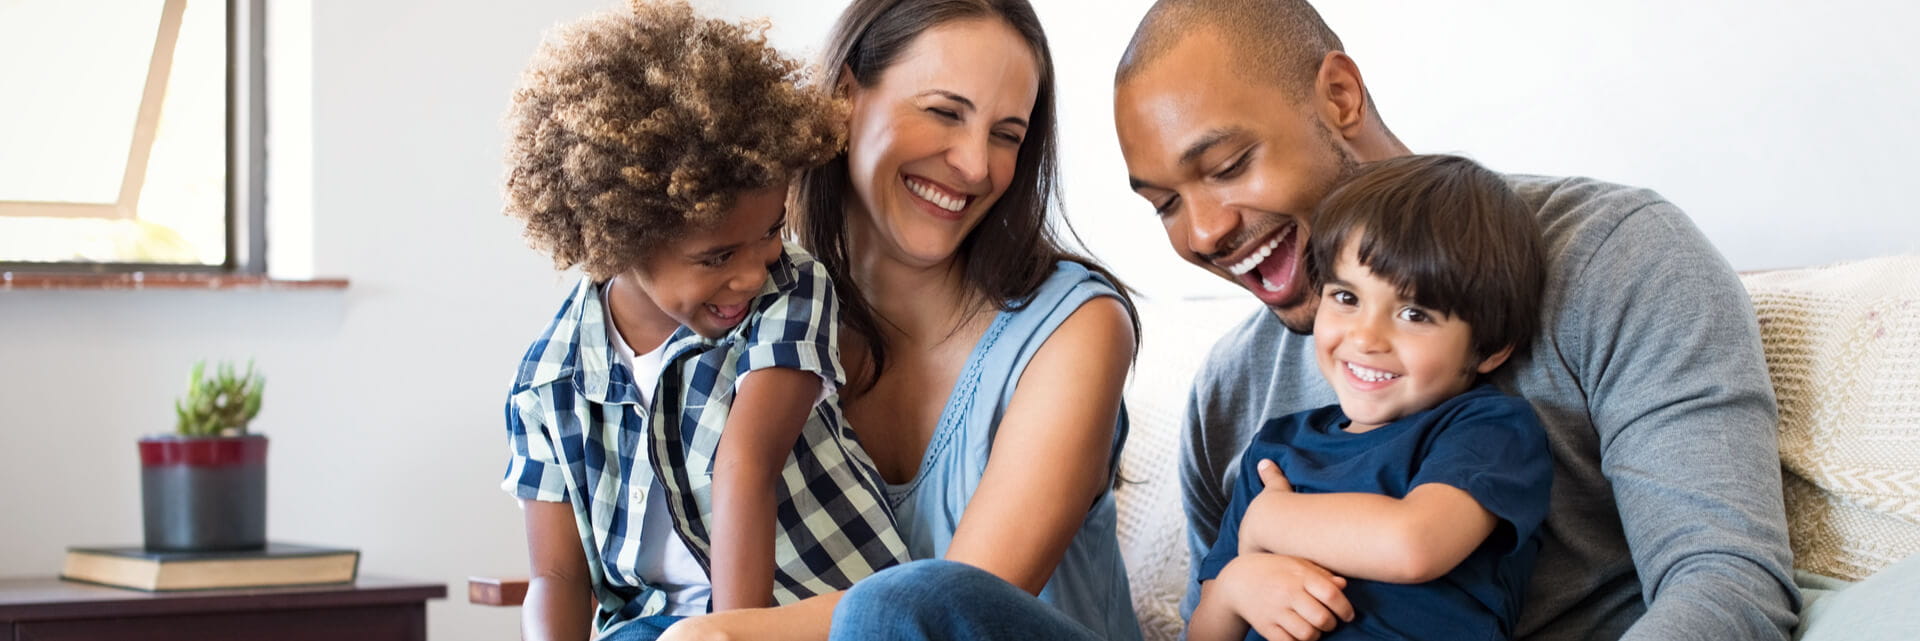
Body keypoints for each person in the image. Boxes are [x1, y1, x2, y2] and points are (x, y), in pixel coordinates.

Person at [1112, 1, 1798, 639]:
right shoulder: (1229, 393)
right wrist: (1235, 582)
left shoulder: (1615, 257)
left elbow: (1725, 584)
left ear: (1339, 96)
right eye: (1165, 204)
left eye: (1229, 165)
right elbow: (1218, 610)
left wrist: (1273, 520)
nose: (1203, 232)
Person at [657, 1, 1143, 640]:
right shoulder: (755, 305)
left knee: (891, 607)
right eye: (944, 111)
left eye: (1006, 134)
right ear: (845, 96)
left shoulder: (1077, 328)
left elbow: (946, 609)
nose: (975, 165)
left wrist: (726, 633)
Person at [496, 2, 908, 639]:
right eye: (717, 256)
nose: (751, 272)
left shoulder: (791, 291)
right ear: (620, 243)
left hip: (812, 611)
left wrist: (730, 635)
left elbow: (745, 465)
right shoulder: (549, 381)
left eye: (771, 230)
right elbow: (558, 579)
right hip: (652, 624)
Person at [1189, 154, 1553, 641]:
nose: (1366, 337)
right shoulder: (1274, 452)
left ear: (1488, 348)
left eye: (1415, 314)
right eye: (1346, 298)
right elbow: (1204, 632)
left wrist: (1269, 521)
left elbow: (1414, 545)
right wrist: (1235, 586)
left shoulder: (1488, 428)